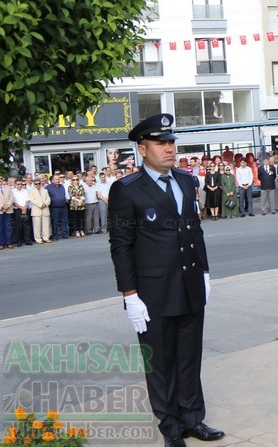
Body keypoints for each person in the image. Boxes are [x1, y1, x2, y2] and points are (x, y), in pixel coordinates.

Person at [108, 113, 223, 447]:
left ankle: (192, 418)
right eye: (161, 143)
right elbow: (121, 245)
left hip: (189, 284)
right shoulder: (126, 190)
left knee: (189, 356)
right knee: (160, 362)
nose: (170, 149)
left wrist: (204, 273)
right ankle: (171, 428)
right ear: (143, 150)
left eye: (171, 142)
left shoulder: (186, 182)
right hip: (153, 292)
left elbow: (194, 231)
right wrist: (129, 294)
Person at [29, 177, 52, 244]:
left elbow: (49, 199)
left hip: (45, 209)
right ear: (34, 184)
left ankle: (46, 237)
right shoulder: (31, 191)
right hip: (37, 210)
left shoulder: (45, 190)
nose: (38, 185)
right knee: (37, 225)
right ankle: (38, 239)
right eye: (36, 184)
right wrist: (40, 205)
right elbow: (32, 200)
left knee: (46, 225)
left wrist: (45, 204)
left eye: (39, 183)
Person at [11, 178, 33, 246]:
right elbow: (13, 202)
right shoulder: (12, 191)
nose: (20, 185)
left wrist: (25, 207)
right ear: (15, 184)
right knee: (18, 226)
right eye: (18, 184)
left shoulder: (25, 191)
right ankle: (19, 241)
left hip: (25, 210)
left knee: (26, 225)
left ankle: (27, 240)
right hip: (17, 210)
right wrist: (21, 207)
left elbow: (27, 199)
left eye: (21, 184)